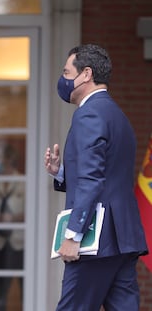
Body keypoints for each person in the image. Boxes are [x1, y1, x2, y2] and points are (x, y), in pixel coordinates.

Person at [44, 44, 148, 311]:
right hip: (123, 238)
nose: (64, 79)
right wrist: (62, 172)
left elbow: (92, 180)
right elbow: (107, 172)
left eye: (67, 72)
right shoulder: (118, 115)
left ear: (86, 73)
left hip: (96, 240)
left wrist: (73, 234)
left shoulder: (88, 114)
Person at [0, 141, 25, 310]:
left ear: (9, 159)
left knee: (26, 288)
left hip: (21, 243)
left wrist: (13, 218)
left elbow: (36, 212)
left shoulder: (24, 182)